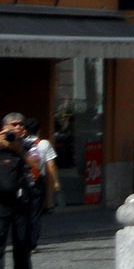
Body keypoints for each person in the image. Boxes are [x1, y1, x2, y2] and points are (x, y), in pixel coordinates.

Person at [0, 113, 32, 269]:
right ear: (4, 128)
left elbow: (37, 166)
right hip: (1, 202)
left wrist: (19, 150)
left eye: (21, 125)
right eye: (14, 124)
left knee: (22, 244)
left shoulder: (28, 145)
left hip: (21, 202)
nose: (18, 127)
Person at [23, 122, 58, 249]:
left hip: (22, 181)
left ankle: (22, 241)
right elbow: (51, 164)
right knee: (35, 213)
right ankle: (32, 244)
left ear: (25, 130)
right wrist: (56, 181)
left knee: (23, 213)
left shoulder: (20, 143)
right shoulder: (44, 144)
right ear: (39, 131)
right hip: (37, 180)